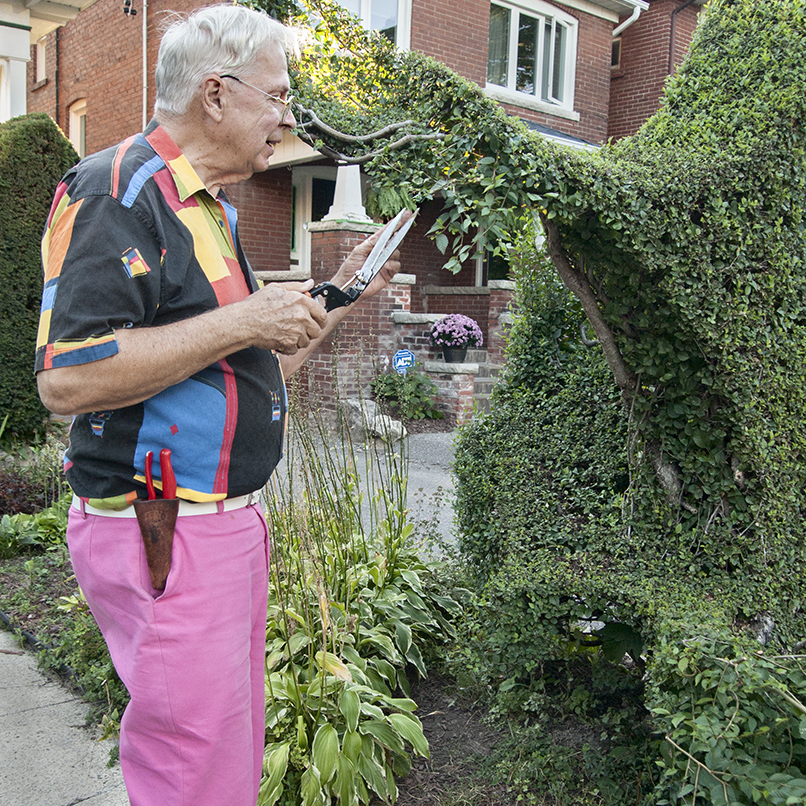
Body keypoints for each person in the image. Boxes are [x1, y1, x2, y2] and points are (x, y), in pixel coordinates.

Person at [34, 5, 407, 804]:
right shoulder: (112, 190)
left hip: (223, 527)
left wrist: (344, 297)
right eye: (275, 96)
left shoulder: (207, 206)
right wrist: (246, 315)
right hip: (165, 527)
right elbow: (66, 376)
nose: (286, 117)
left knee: (223, 753)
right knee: (191, 765)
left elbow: (252, 363)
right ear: (214, 94)